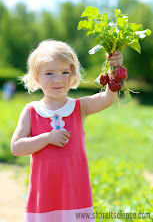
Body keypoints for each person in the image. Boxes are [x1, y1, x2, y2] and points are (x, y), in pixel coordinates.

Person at [11, 39, 123, 222]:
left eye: (65, 72)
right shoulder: (31, 111)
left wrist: (115, 68)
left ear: (72, 75)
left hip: (76, 195)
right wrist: (47, 138)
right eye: (49, 73)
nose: (58, 79)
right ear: (37, 78)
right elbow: (16, 147)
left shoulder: (79, 107)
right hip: (44, 196)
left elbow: (108, 98)